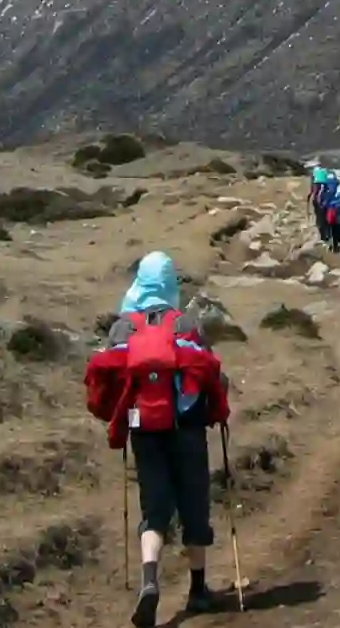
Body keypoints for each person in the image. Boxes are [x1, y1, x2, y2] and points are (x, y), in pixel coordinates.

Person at [83, 252, 232, 623]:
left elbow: (108, 381)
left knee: (155, 508)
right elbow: (213, 374)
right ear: (169, 284)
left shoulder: (123, 327)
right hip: (187, 429)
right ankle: (198, 591)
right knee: (194, 500)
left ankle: (149, 581)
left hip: (143, 429)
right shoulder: (186, 323)